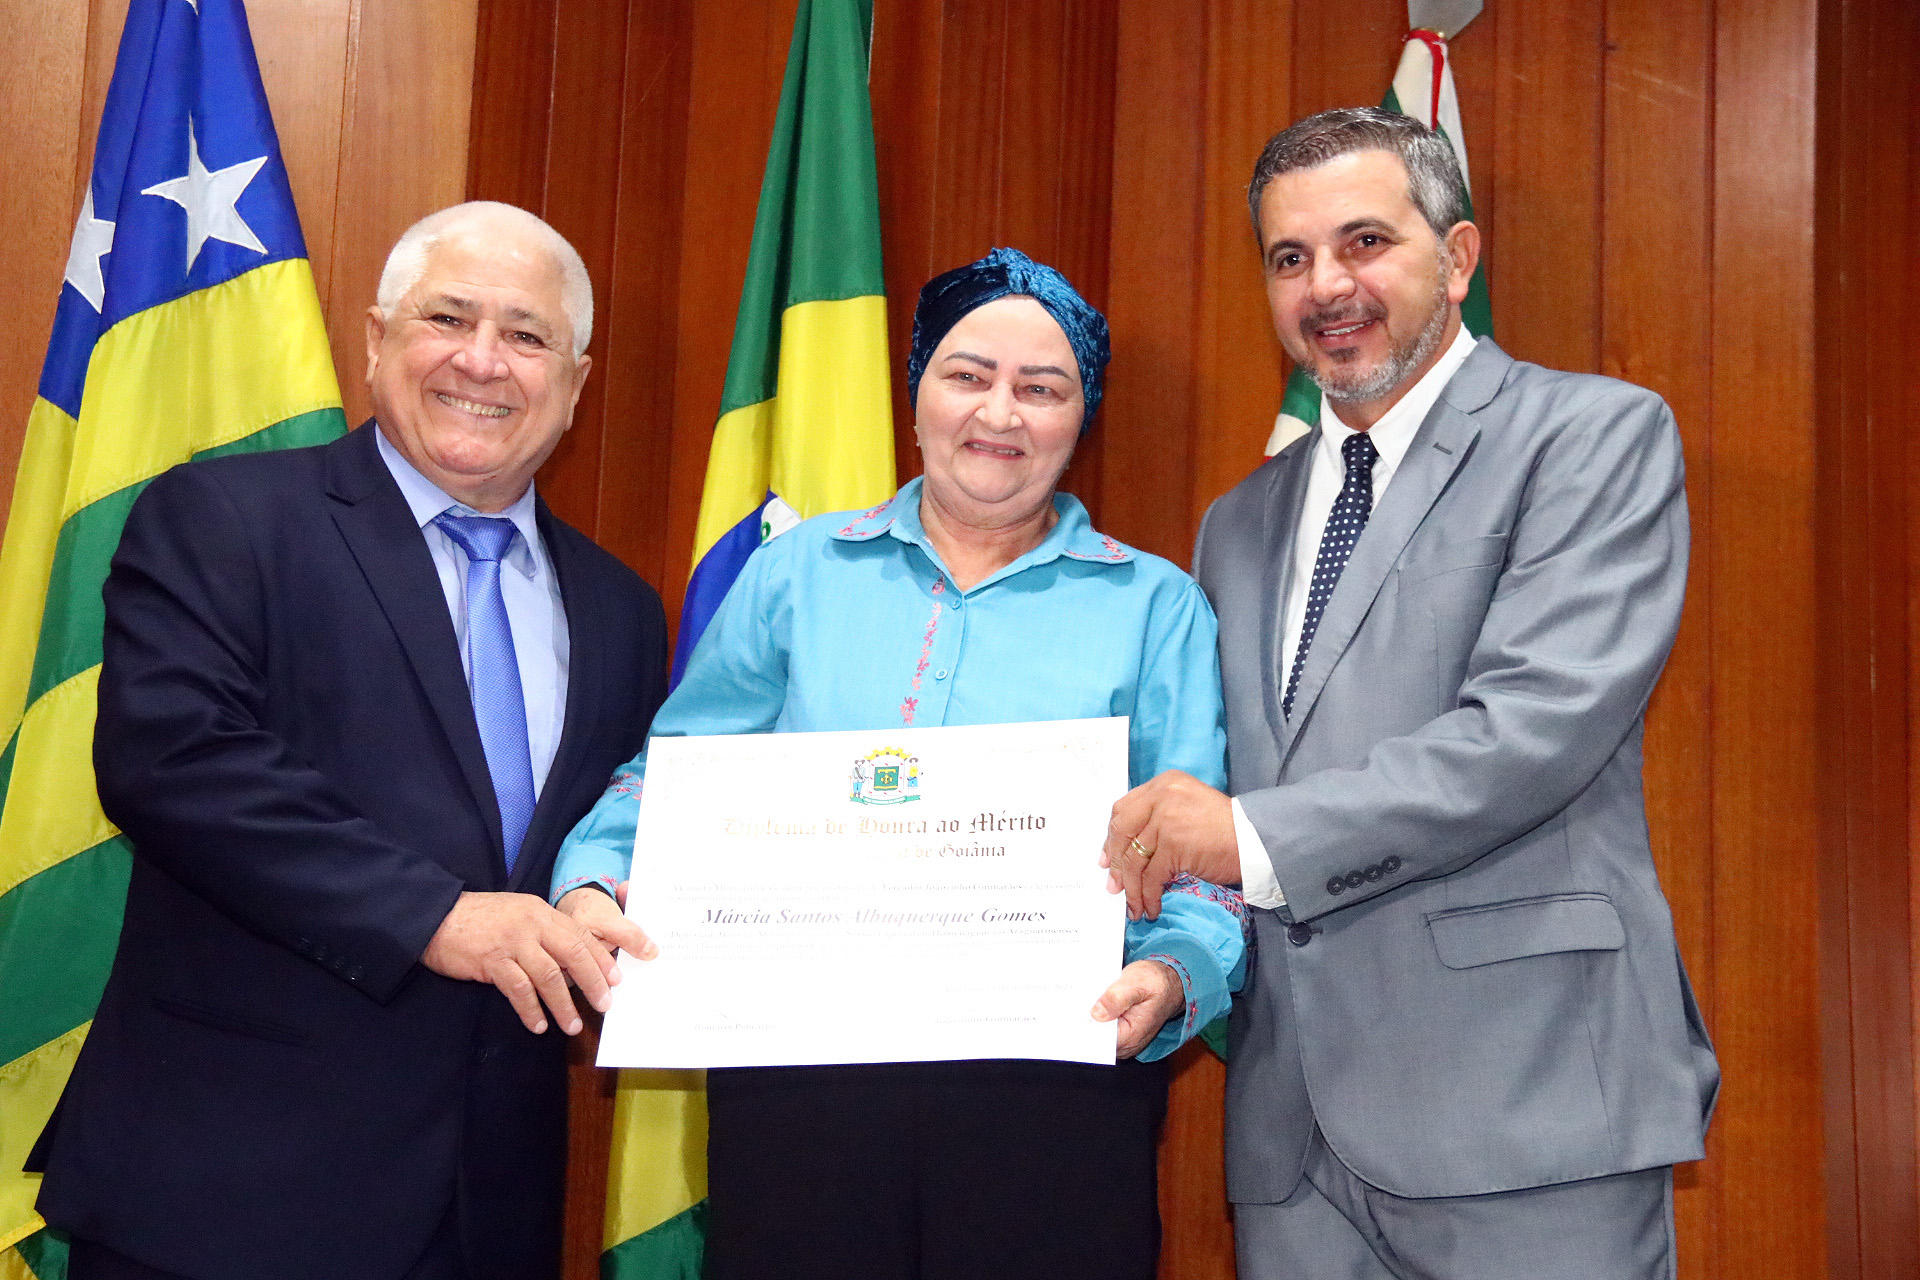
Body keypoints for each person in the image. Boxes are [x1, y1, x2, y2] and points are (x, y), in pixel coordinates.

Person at [1102, 108, 1720, 1279]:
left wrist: (1243, 835)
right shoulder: (1237, 522)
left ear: (1459, 256)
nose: (1327, 285)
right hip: (1291, 1142)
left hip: (1526, 1101)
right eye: (1290, 258)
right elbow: (1218, 779)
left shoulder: (1590, 436)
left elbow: (1531, 733)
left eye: (1365, 242)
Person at [553, 248, 1245, 1280]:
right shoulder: (796, 573)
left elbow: (1199, 856)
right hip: (799, 1088)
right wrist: (592, 882)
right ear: (916, 392)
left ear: (1080, 418)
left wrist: (1174, 972)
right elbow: (681, 777)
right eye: (968, 375)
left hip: (1053, 1097)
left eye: (1041, 388)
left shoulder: (1157, 606)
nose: (1000, 413)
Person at [29, 202, 667, 1280]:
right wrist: (435, 916)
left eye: (526, 335)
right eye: (448, 318)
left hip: (486, 1210)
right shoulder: (225, 519)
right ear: (375, 340)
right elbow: (173, 761)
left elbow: (616, 826)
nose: (482, 360)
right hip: (224, 1193)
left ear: (575, 382)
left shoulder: (623, 609)